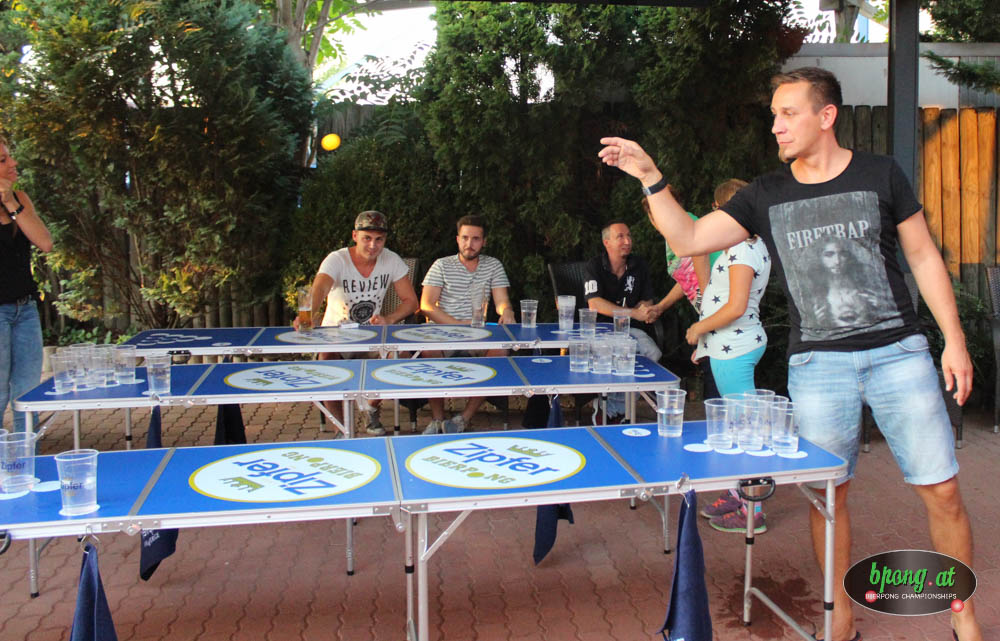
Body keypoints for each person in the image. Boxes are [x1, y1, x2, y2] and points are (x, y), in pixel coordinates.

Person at [598, 67, 982, 641]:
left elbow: (924, 257)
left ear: (826, 116)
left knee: (943, 490)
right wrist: (651, 178)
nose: (775, 126)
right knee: (829, 495)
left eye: (788, 113)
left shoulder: (881, 174)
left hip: (899, 353)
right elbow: (688, 239)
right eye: (773, 115)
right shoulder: (765, 194)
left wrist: (954, 339)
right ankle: (839, 617)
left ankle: (962, 614)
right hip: (818, 366)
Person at [686, 178, 772, 535]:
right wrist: (706, 343)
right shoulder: (743, 246)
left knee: (746, 429)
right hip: (727, 346)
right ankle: (738, 494)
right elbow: (716, 295)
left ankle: (753, 511)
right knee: (739, 426)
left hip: (735, 349)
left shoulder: (742, 250)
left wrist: (698, 329)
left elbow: (736, 307)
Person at [297, 210, 418, 435]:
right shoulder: (337, 259)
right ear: (355, 236)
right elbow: (320, 288)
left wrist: (389, 319)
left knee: (400, 358)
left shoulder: (391, 259)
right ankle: (343, 429)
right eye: (367, 238)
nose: (373, 245)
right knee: (326, 361)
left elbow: (411, 301)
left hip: (371, 336)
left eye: (379, 239)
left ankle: (370, 409)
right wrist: (309, 313)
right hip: (336, 336)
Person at [420, 215, 515, 434]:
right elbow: (426, 305)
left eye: (475, 239)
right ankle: (437, 419)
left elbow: (502, 301)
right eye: (464, 238)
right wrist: (457, 325)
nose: (469, 244)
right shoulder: (441, 265)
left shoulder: (493, 265)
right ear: (457, 239)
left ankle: (463, 419)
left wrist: (507, 312)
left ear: (484, 242)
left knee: (500, 350)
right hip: (444, 333)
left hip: (478, 333)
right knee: (428, 349)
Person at [582, 221, 664, 421]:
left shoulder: (639, 265)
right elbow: (595, 304)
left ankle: (612, 407)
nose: (627, 241)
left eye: (629, 236)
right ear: (607, 243)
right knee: (622, 353)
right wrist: (633, 313)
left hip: (629, 330)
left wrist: (646, 310)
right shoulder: (594, 266)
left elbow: (647, 299)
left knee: (653, 353)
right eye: (620, 237)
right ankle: (612, 411)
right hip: (601, 328)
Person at [1, 136, 53, 433]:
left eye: (9, 156)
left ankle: (27, 458)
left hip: (25, 310)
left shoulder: (19, 198)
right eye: (3, 160)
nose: (13, 163)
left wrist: (10, 202)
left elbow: (45, 242)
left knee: (28, 397)